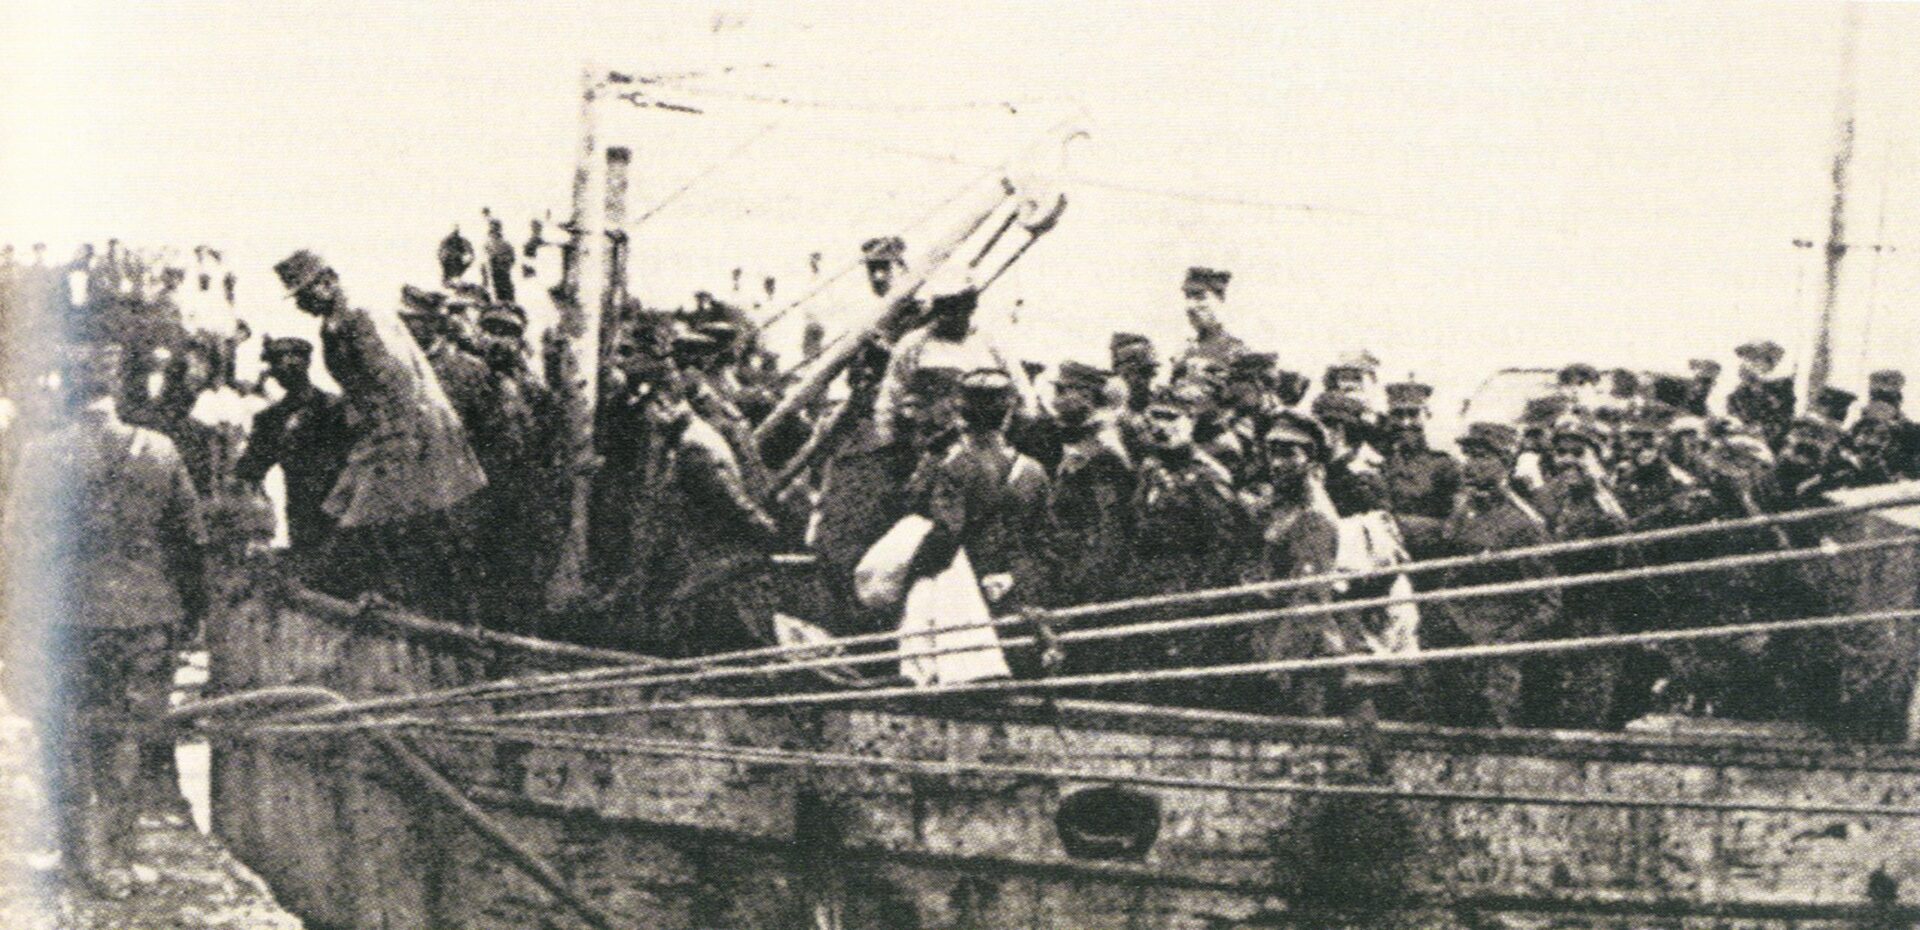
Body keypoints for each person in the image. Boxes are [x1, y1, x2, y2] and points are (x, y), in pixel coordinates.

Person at [4, 343, 208, 899]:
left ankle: (77, 853)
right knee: (127, 737)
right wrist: (192, 614)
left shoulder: (41, 454)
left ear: (67, 389)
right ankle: (116, 858)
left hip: (67, 618)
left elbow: (15, 545)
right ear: (116, 388)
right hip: (146, 616)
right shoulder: (160, 450)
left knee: (66, 731)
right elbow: (192, 540)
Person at [273, 249, 487, 618]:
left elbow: (397, 385)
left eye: (306, 293)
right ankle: (369, 596)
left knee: (381, 520)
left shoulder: (362, 318)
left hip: (411, 434)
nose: (301, 304)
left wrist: (390, 445)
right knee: (341, 511)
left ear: (328, 281)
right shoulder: (334, 326)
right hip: (380, 434)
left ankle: (403, 602)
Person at [1424, 422, 1558, 728]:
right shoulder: (1464, 511)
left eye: (1482, 457)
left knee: (1492, 733)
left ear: (1507, 463)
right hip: (1452, 643)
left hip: (1493, 654)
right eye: (1468, 456)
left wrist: (1503, 641)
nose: (1470, 465)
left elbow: (1547, 603)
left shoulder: (1524, 524)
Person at [233, 337, 351, 552]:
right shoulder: (271, 418)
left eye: (294, 363)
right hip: (302, 514)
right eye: (279, 365)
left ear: (307, 364)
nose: (286, 370)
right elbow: (251, 467)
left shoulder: (335, 409)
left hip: (342, 507)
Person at [1046, 361, 1136, 610]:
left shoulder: (1103, 449)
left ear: (1086, 395)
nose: (1055, 401)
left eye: (1062, 391)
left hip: (1091, 574)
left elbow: (1108, 524)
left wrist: (1084, 580)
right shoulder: (1085, 439)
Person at [1380, 381, 1461, 524]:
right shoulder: (1382, 462)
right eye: (1398, 414)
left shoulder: (1444, 465)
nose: (1405, 423)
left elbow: (1457, 520)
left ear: (1427, 416)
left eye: (1413, 414)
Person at [1726, 340, 1795, 450]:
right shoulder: (1737, 395)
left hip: (1772, 447)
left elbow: (1781, 425)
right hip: (1743, 445)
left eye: (1755, 359)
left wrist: (1753, 431)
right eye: (1746, 359)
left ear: (1770, 364)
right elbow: (1734, 418)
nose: (1747, 365)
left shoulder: (1782, 390)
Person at [1177, 266, 1245, 368]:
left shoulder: (1237, 352)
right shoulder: (1185, 352)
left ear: (1222, 301)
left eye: (1200, 297)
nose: (1190, 306)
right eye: (1188, 297)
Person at [484, 217, 516, 303]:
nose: (494, 231)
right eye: (492, 228)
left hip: (502, 271)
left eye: (496, 228)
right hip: (491, 271)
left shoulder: (505, 244)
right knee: (495, 292)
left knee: (505, 291)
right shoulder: (487, 244)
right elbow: (484, 260)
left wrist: (502, 259)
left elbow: (512, 258)